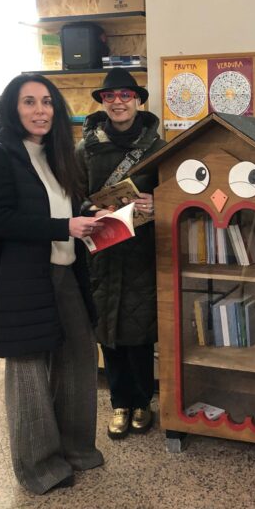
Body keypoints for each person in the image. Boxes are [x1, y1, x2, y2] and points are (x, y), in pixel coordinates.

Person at [0, 73, 105, 494]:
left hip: (65, 271)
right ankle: (39, 466)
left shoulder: (57, 155)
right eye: (29, 102)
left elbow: (61, 206)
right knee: (28, 369)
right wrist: (65, 224)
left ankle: (76, 449)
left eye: (47, 102)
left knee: (79, 357)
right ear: (13, 109)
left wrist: (96, 211)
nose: (40, 110)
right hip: (22, 279)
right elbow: (1, 218)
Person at [76, 67, 165, 439]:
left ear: (138, 100)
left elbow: (176, 193)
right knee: (108, 332)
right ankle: (119, 403)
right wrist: (90, 210)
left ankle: (143, 402)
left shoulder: (158, 147)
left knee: (140, 333)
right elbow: (73, 194)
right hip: (101, 252)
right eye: (110, 97)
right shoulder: (84, 149)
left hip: (141, 252)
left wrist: (156, 201)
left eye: (125, 96)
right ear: (102, 102)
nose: (117, 102)